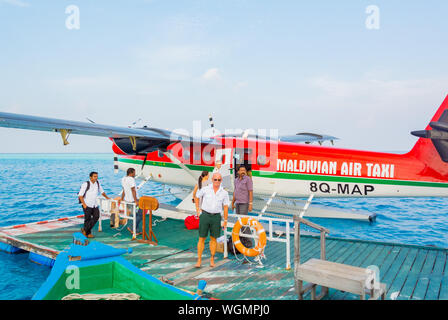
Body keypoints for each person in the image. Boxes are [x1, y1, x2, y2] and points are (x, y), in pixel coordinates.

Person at [194, 172, 229, 268]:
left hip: (216, 217)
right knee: (201, 238)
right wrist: (198, 209)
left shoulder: (224, 193)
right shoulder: (205, 189)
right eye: (215, 179)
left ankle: (212, 259)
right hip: (205, 215)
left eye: (219, 180)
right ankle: (199, 260)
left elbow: (225, 207)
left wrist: (225, 221)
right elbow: (196, 197)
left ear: (221, 181)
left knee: (214, 239)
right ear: (212, 180)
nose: (217, 181)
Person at [78, 172, 110, 238]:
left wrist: (107, 197)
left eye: (97, 176)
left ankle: (85, 230)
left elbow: (102, 191)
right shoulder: (85, 184)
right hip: (87, 204)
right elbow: (80, 195)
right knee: (87, 219)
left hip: (95, 204)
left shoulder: (97, 183)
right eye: (94, 176)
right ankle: (88, 233)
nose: (96, 178)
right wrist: (84, 205)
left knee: (96, 216)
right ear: (90, 177)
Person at [121, 168, 144, 236]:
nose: (135, 174)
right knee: (140, 215)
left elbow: (124, 190)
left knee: (134, 215)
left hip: (127, 200)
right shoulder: (131, 179)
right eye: (134, 172)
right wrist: (136, 200)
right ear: (131, 173)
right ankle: (131, 227)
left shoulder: (123, 179)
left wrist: (122, 198)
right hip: (133, 201)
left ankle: (136, 231)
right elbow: (133, 190)